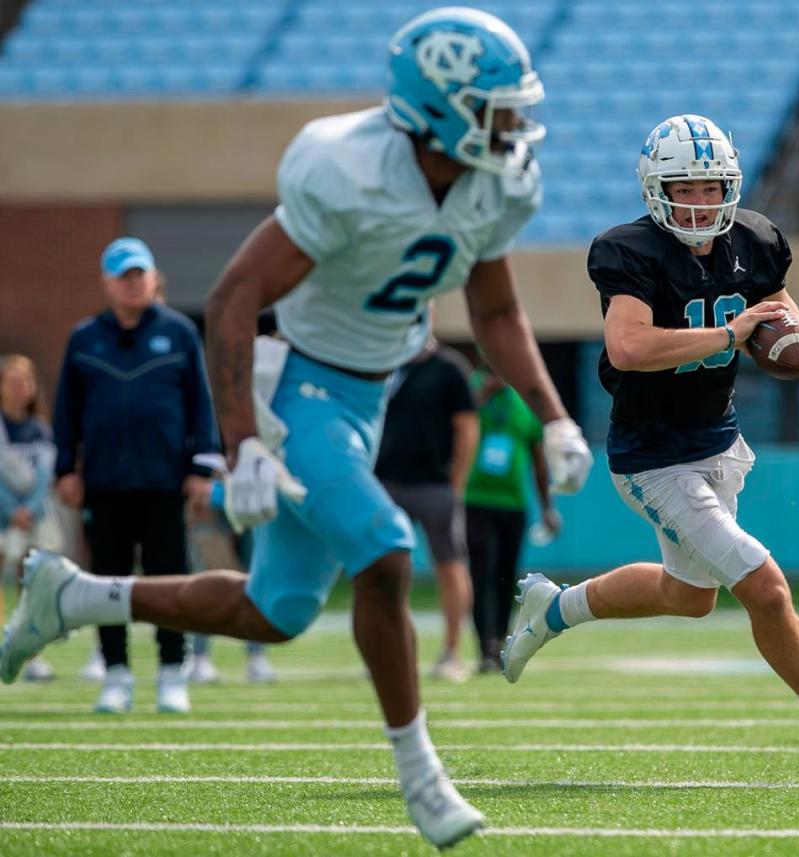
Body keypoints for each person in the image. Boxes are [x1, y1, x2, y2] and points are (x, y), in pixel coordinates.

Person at [0, 8, 593, 849]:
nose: (515, 127)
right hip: (302, 386)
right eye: (496, 108)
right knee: (385, 549)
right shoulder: (347, 169)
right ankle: (421, 775)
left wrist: (556, 414)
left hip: (368, 395)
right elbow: (236, 296)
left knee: (276, 609)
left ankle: (73, 596)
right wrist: (242, 437)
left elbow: (493, 307)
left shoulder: (496, 182)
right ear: (439, 109)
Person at [501, 114, 799, 783]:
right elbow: (628, 347)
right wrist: (729, 333)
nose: (699, 202)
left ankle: (552, 607)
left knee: (687, 595)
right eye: (684, 189)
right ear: (656, 191)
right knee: (765, 584)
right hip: (654, 457)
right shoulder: (627, 251)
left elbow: (797, 339)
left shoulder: (752, 241)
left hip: (720, 442)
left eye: (710, 187)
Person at [50, 236, 219, 714]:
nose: (133, 284)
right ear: (107, 282)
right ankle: (116, 673)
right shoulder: (85, 338)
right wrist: (66, 467)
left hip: (165, 481)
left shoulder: (180, 331)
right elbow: (67, 409)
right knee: (106, 580)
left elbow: (201, 405)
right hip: (103, 483)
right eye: (124, 276)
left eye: (140, 274)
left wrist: (202, 467)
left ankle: (172, 672)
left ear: (152, 277)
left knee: (170, 579)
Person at [375, 335, 478, 682]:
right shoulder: (384, 360)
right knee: (383, 568)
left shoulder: (449, 368)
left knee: (450, 566)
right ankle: (391, 654)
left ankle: (452, 652)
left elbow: (466, 426)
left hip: (435, 485)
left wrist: (456, 484)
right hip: (386, 482)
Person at [465, 366, 560, 673]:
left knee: (505, 575)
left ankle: (500, 641)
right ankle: (484, 647)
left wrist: (547, 507)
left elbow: (537, 458)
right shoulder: (471, 388)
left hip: (513, 503)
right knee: (482, 572)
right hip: (476, 499)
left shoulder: (524, 399)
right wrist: (483, 395)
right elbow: (454, 426)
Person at [0, 354, 62, 681]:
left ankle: (31, 654)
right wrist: (10, 511)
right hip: (3, 516)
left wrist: (28, 510)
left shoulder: (41, 429)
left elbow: (44, 477)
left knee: (33, 582)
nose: (19, 388)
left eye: (25, 381)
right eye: (12, 381)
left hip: (33, 519)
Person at [184, 475, 276, 685]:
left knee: (256, 581)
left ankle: (257, 657)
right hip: (207, 507)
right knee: (206, 585)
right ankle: (199, 658)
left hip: (253, 503)